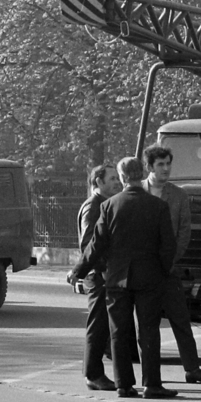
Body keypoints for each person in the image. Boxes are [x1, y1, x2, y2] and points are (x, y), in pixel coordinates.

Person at [76, 155, 178, 399]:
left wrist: (77, 271)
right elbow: (168, 246)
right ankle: (152, 384)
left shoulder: (109, 206)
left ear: (122, 178)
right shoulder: (158, 206)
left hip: (117, 279)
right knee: (149, 331)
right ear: (142, 173)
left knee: (119, 333)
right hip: (149, 278)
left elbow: (95, 245)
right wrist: (163, 271)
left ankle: (123, 385)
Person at [145, 146, 201, 385]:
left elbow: (185, 231)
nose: (166, 169)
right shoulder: (136, 192)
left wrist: (171, 260)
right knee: (147, 325)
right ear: (150, 167)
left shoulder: (178, 195)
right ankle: (149, 374)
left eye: (168, 164)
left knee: (181, 320)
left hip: (169, 270)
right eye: (160, 165)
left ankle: (192, 369)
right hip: (143, 272)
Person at [66, 164, 119, 389]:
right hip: (98, 275)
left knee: (103, 326)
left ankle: (97, 372)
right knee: (97, 326)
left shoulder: (104, 203)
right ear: (98, 182)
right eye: (112, 178)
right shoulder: (93, 206)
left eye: (118, 178)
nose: (117, 182)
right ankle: (93, 375)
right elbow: (89, 244)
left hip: (104, 273)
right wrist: (102, 268)